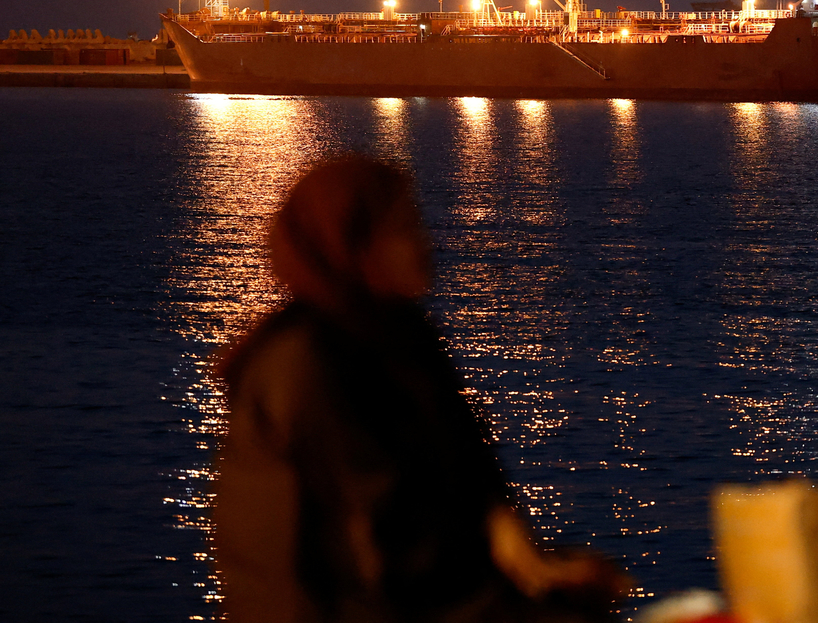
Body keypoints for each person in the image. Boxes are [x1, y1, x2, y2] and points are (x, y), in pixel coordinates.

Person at [213, 155, 627, 623]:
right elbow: (375, 545)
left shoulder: (404, 338)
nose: (427, 245)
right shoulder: (306, 364)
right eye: (405, 229)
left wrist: (532, 560)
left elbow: (470, 471)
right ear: (356, 245)